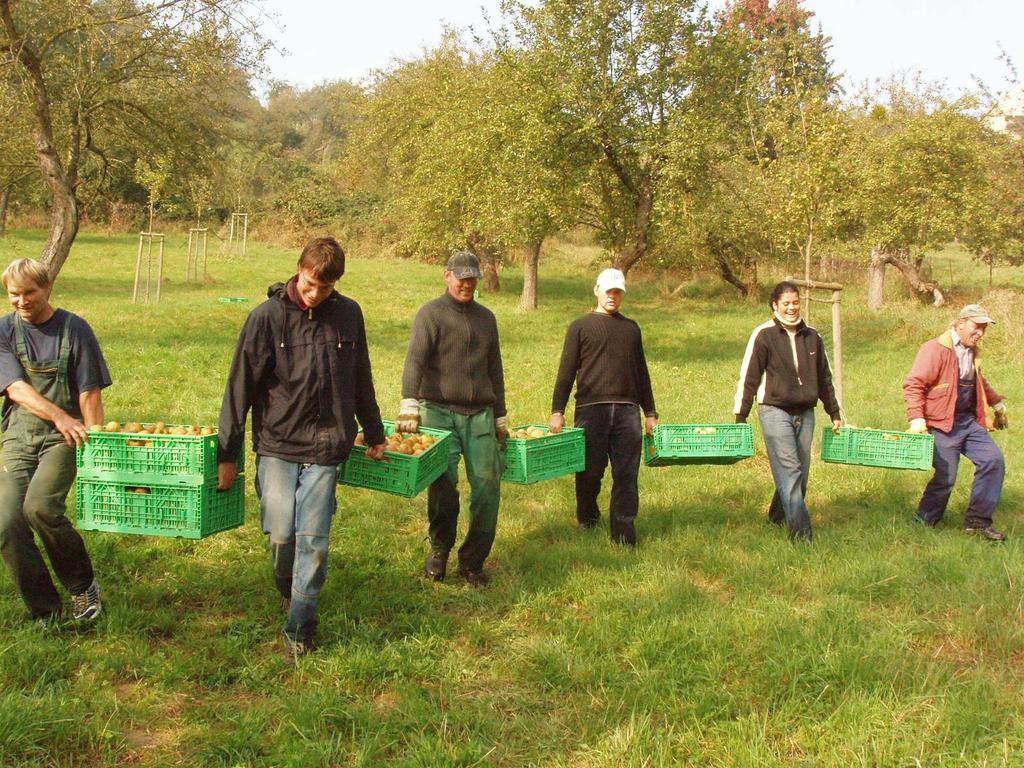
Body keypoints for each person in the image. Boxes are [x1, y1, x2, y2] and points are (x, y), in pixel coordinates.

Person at [218, 237, 386, 662]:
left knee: (314, 541)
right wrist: (227, 454)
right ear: (299, 270)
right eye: (310, 285)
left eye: (325, 289)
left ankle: (300, 629)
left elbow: (360, 376)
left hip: (328, 444)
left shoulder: (349, 315)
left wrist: (375, 431)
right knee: (281, 535)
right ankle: (288, 590)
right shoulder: (266, 318)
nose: (315, 295)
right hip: (277, 443)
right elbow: (240, 387)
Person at [0, 258, 111, 624]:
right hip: (19, 434)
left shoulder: (75, 329)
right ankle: (45, 609)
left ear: (47, 288)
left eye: (29, 292)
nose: (21, 301)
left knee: (41, 509)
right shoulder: (3, 330)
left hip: (65, 437)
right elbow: (15, 388)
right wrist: (57, 414)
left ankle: (83, 587)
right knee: (5, 521)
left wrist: (97, 454)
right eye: (14, 294)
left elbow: (89, 393)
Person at [397, 251, 506, 587]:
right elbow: (415, 360)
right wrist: (409, 404)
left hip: (480, 416)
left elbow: (495, 370)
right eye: (461, 277)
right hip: (439, 412)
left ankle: (473, 561)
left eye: (472, 277)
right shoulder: (431, 314)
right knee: (443, 485)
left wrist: (500, 416)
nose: (467, 283)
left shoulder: (486, 318)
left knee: (488, 487)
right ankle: (440, 549)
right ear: (447, 276)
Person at [549, 268, 657, 546]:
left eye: (618, 292)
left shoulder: (631, 328)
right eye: (608, 291)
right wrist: (557, 410)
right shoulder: (580, 327)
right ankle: (588, 517)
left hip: (626, 410)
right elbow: (566, 371)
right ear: (596, 290)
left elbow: (641, 373)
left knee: (626, 474)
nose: (613, 296)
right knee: (589, 471)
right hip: (591, 408)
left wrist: (651, 413)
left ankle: (623, 534)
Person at [734, 280, 842, 542]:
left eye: (795, 303)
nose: (792, 308)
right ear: (775, 305)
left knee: (801, 474)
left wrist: (835, 412)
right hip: (774, 410)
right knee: (790, 470)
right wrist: (741, 414)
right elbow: (749, 375)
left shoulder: (812, 336)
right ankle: (802, 535)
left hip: (805, 412)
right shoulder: (764, 335)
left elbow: (825, 377)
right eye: (786, 303)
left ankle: (777, 516)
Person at [903, 304, 1008, 541]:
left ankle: (978, 523)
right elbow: (914, 384)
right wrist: (917, 418)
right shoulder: (935, 349)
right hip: (941, 424)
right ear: (960, 323)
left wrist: (996, 402)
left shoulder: (972, 351)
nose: (980, 332)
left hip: (968, 422)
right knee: (946, 477)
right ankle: (924, 521)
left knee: (993, 461)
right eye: (976, 326)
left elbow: (978, 381)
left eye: (983, 328)